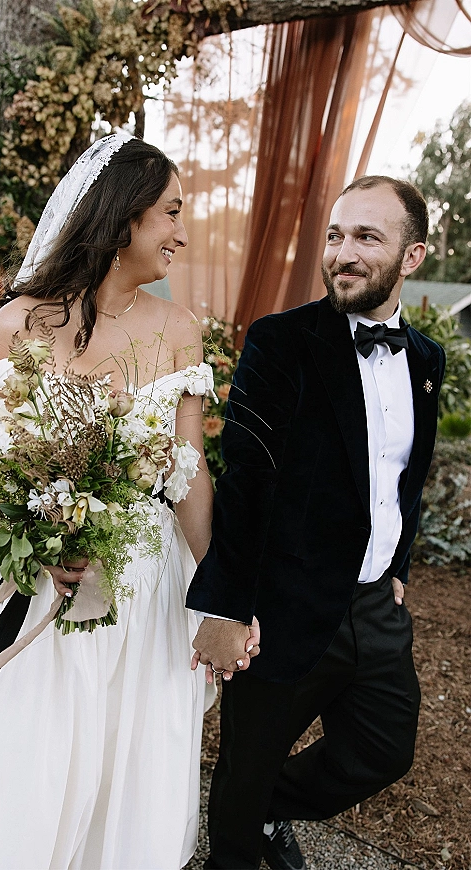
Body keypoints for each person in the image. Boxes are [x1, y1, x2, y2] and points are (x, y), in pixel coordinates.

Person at [0, 133, 254, 870]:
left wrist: (224, 596)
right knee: (25, 758)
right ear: (122, 220)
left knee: (124, 761)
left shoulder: (180, 332)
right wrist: (37, 536)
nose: (182, 234)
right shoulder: (23, 321)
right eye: (170, 213)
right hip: (32, 589)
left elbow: (188, 476)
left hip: (141, 589)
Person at [187, 176, 446, 870]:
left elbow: (404, 477)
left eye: (367, 236)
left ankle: (275, 809)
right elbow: (247, 480)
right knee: (244, 772)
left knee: (384, 750)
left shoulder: (426, 359)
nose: (343, 252)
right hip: (284, 606)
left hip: (375, 608)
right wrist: (228, 606)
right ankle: (241, 844)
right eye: (335, 235)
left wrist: (396, 570)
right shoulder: (280, 342)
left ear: (412, 257)